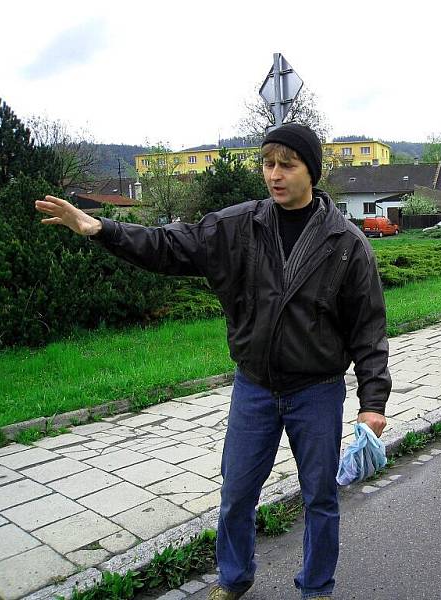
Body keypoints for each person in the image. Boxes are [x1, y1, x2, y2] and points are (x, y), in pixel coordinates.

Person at [35, 123, 391, 600]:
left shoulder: (346, 243)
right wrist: (102, 229)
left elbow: (368, 329)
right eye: (268, 163)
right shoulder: (239, 225)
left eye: (287, 164)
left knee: (321, 498)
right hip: (255, 387)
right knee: (237, 492)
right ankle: (234, 577)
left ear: (312, 171)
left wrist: (373, 402)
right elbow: (168, 245)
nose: (274, 175)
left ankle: (317, 586)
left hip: (317, 390)